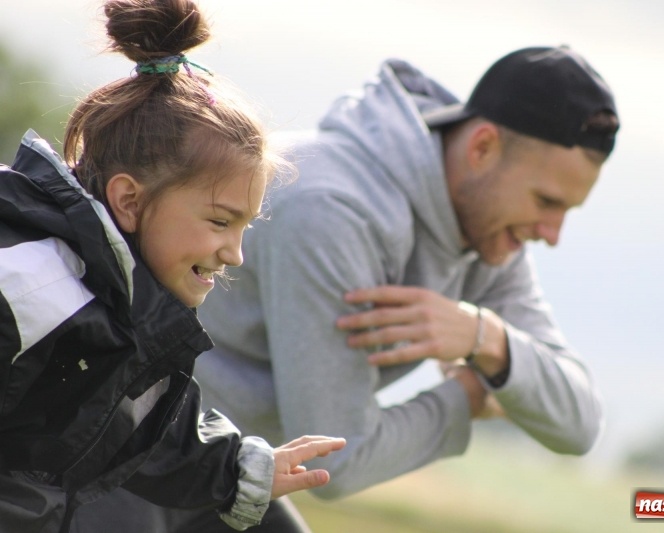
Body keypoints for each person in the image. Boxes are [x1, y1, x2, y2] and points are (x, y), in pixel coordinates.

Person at [191, 43, 620, 521]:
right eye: (546, 201)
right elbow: (337, 461)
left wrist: (486, 339)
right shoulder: (333, 212)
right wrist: (468, 398)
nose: (552, 234)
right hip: (144, 450)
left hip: (232, 470)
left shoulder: (491, 238)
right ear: (482, 148)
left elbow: (580, 424)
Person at [0, 1, 345, 532]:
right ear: (130, 202)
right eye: (219, 220)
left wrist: (238, 470)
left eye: (245, 226)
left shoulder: (117, 307)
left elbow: (146, 432)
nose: (235, 253)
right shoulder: (32, 286)